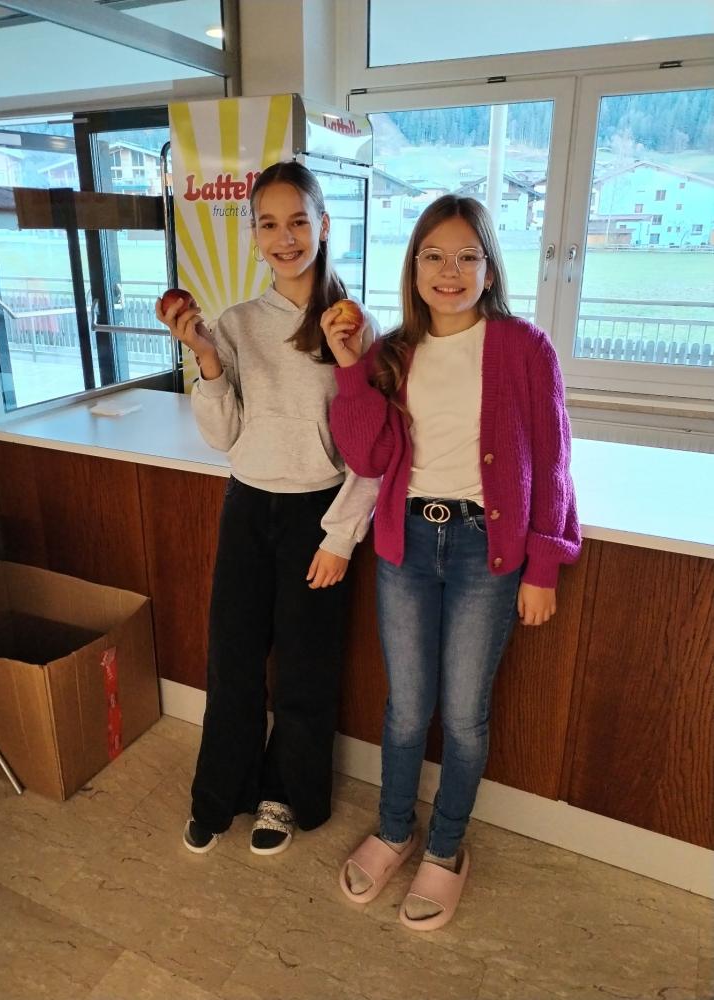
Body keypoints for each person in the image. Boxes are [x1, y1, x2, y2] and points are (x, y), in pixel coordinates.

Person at [322, 195, 581, 930]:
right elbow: (369, 456)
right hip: (405, 544)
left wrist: (543, 564)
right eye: (434, 255)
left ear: (490, 270)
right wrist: (351, 369)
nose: (450, 270)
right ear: (413, 268)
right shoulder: (392, 352)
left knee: (464, 715)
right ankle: (394, 831)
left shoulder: (526, 348)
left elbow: (553, 460)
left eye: (468, 256)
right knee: (406, 708)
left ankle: (445, 847)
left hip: (484, 553)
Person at [156, 160, 378, 858]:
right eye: (269, 224)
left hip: (319, 512)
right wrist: (205, 357)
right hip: (248, 507)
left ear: (324, 226)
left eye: (299, 221)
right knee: (233, 661)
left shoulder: (353, 326)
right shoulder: (236, 324)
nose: (285, 238)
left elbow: (373, 448)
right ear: (253, 235)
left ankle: (287, 794)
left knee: (307, 669)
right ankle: (218, 793)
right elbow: (223, 435)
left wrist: (341, 537)